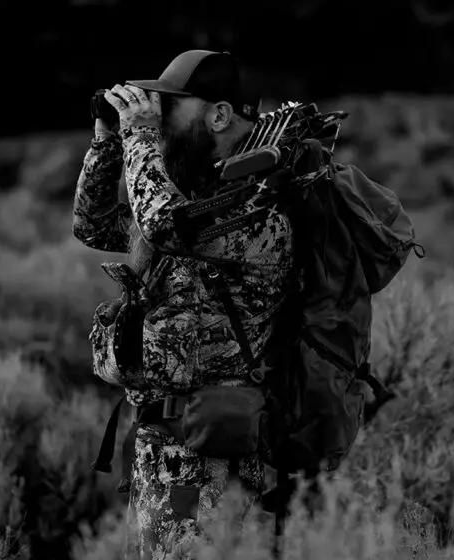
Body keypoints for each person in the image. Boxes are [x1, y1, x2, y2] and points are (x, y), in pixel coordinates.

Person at [73, 50, 296, 558]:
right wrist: (108, 140)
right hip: (163, 448)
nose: (158, 114)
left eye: (173, 104)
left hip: (211, 462)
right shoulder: (196, 198)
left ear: (219, 115)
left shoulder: (258, 210)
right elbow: (93, 224)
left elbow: (161, 224)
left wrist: (141, 135)